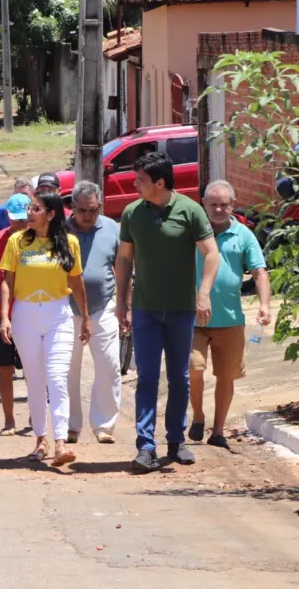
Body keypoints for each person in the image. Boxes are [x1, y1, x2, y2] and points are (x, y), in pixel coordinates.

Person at [115, 151, 219, 474]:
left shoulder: (190, 211)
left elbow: (212, 255)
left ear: (159, 182)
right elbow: (124, 260)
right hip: (146, 311)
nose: (135, 184)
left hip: (181, 310)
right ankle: (146, 446)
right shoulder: (133, 213)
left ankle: (176, 440)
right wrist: (122, 301)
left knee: (179, 377)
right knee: (146, 378)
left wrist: (203, 294)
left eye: (141, 180)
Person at [0, 190, 90, 466]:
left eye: (36, 209)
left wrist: (85, 316)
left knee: (56, 376)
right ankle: (41, 439)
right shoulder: (17, 241)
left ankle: (61, 441)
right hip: (26, 313)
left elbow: (76, 282)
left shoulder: (69, 243)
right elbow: (7, 281)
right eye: (30, 208)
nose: (30, 213)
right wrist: (5, 316)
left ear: (51, 214)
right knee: (35, 380)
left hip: (58, 313)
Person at [189, 180, 272, 449]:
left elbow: (259, 273)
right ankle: (198, 417)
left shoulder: (244, 235)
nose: (219, 209)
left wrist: (265, 304)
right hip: (192, 319)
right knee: (193, 368)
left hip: (230, 319)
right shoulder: (192, 233)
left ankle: (219, 431)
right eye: (213, 204)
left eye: (224, 204)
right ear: (204, 204)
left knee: (226, 376)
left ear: (233, 205)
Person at [66, 181, 122, 445]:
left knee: (109, 364)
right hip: (66, 310)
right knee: (67, 369)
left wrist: (126, 306)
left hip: (104, 307)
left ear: (100, 206)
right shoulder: (59, 231)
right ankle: (69, 425)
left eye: (93, 210)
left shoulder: (113, 229)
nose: (87, 216)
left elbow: (122, 269)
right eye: (82, 211)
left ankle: (103, 425)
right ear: (72, 208)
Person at [0, 192, 31, 435]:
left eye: (24, 220)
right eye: (16, 221)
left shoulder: (38, 241)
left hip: (28, 313)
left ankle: (35, 417)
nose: (20, 226)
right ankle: (8, 419)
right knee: (5, 367)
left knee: (31, 367)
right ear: (8, 218)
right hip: (2, 312)